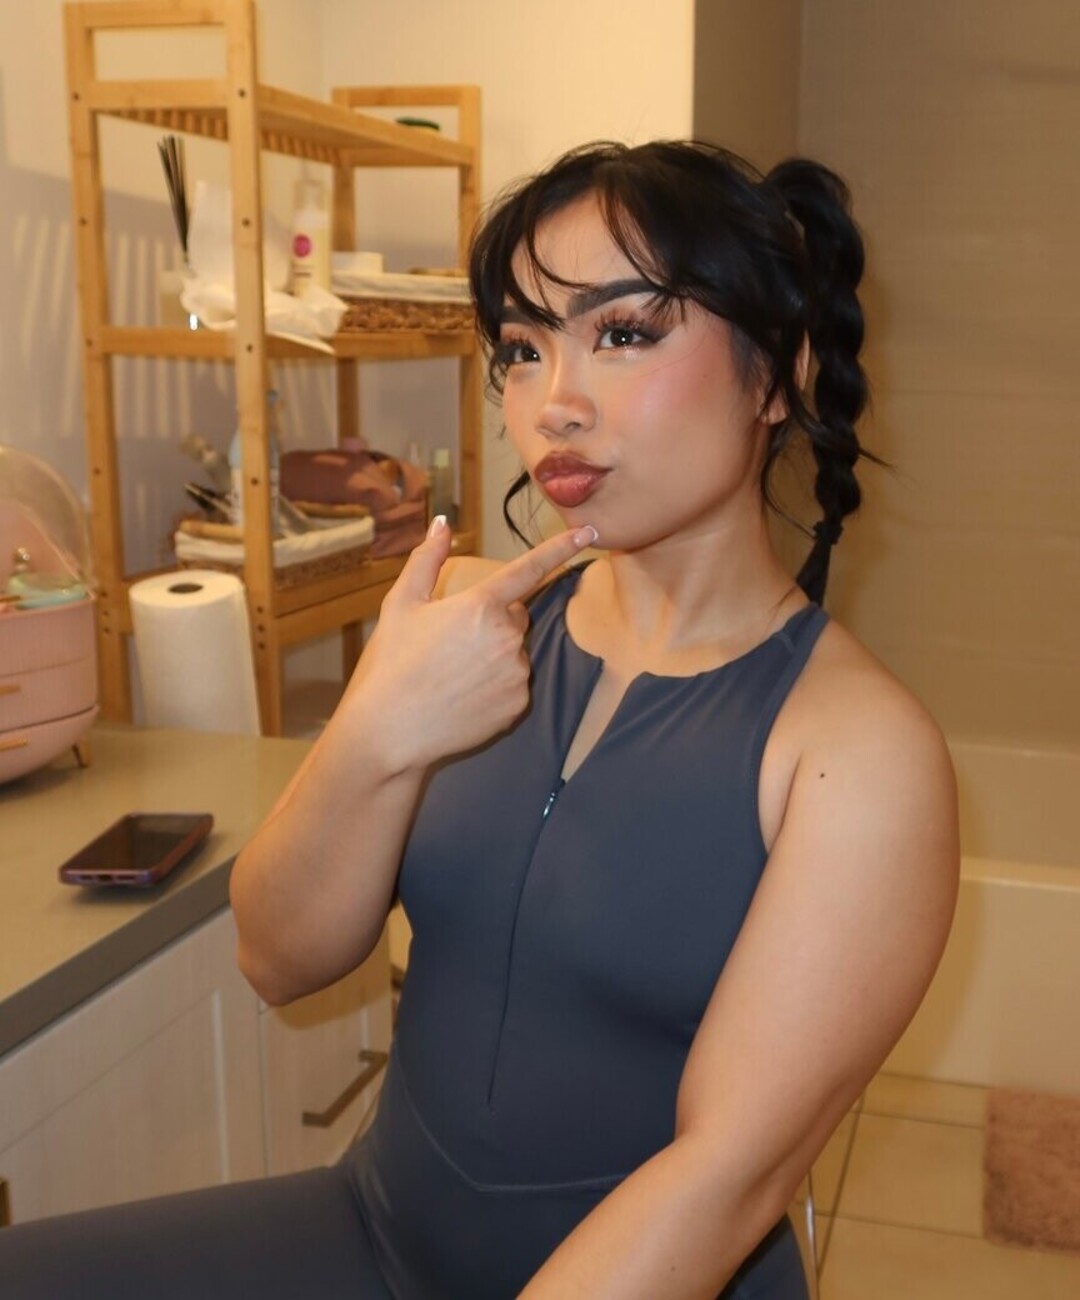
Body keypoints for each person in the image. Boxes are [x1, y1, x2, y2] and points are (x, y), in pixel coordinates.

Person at [0, 140, 959, 1299]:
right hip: (376, 1229)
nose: (554, 403)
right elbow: (278, 958)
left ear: (776, 377)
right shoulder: (468, 619)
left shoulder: (856, 752)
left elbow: (724, 1178)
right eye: (521, 349)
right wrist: (379, 724)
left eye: (624, 333)